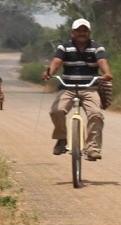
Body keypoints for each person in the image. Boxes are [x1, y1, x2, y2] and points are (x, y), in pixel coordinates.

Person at [42, 18, 114, 160]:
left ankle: (93, 148)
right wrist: (50, 73)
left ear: (89, 32)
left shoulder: (96, 47)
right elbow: (56, 62)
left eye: (85, 30)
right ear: (72, 33)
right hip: (67, 87)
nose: (82, 33)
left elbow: (102, 61)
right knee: (57, 110)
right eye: (79, 31)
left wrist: (107, 73)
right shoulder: (64, 47)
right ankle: (62, 138)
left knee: (96, 114)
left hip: (90, 88)